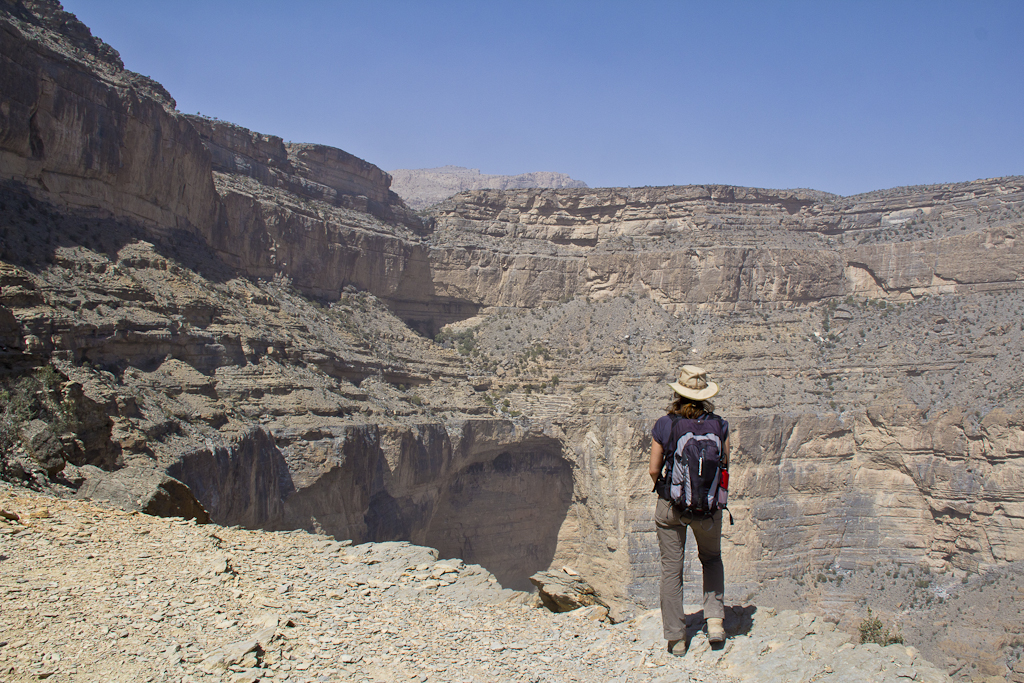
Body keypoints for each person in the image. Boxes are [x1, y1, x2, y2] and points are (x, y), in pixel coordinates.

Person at [649, 365, 729, 654]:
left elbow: (653, 469)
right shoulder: (719, 425)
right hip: (708, 509)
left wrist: (670, 489)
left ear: (677, 393)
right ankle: (716, 623)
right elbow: (724, 465)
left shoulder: (665, 424)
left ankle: (676, 637)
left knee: (672, 569)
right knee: (711, 559)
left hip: (672, 508)